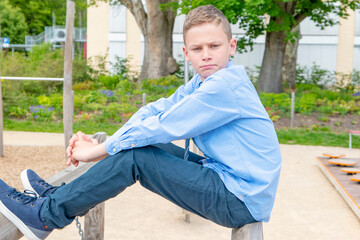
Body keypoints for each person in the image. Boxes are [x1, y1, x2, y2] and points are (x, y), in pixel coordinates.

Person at [0, 5, 282, 240]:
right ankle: (62, 196)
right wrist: (108, 143)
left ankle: (45, 215)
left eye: (214, 46)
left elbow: (163, 124)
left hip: (241, 199)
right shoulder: (200, 82)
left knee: (138, 156)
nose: (206, 54)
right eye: (197, 48)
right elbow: (153, 112)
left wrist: (98, 151)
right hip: (227, 179)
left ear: (231, 47)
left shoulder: (224, 86)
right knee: (143, 143)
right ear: (186, 54)